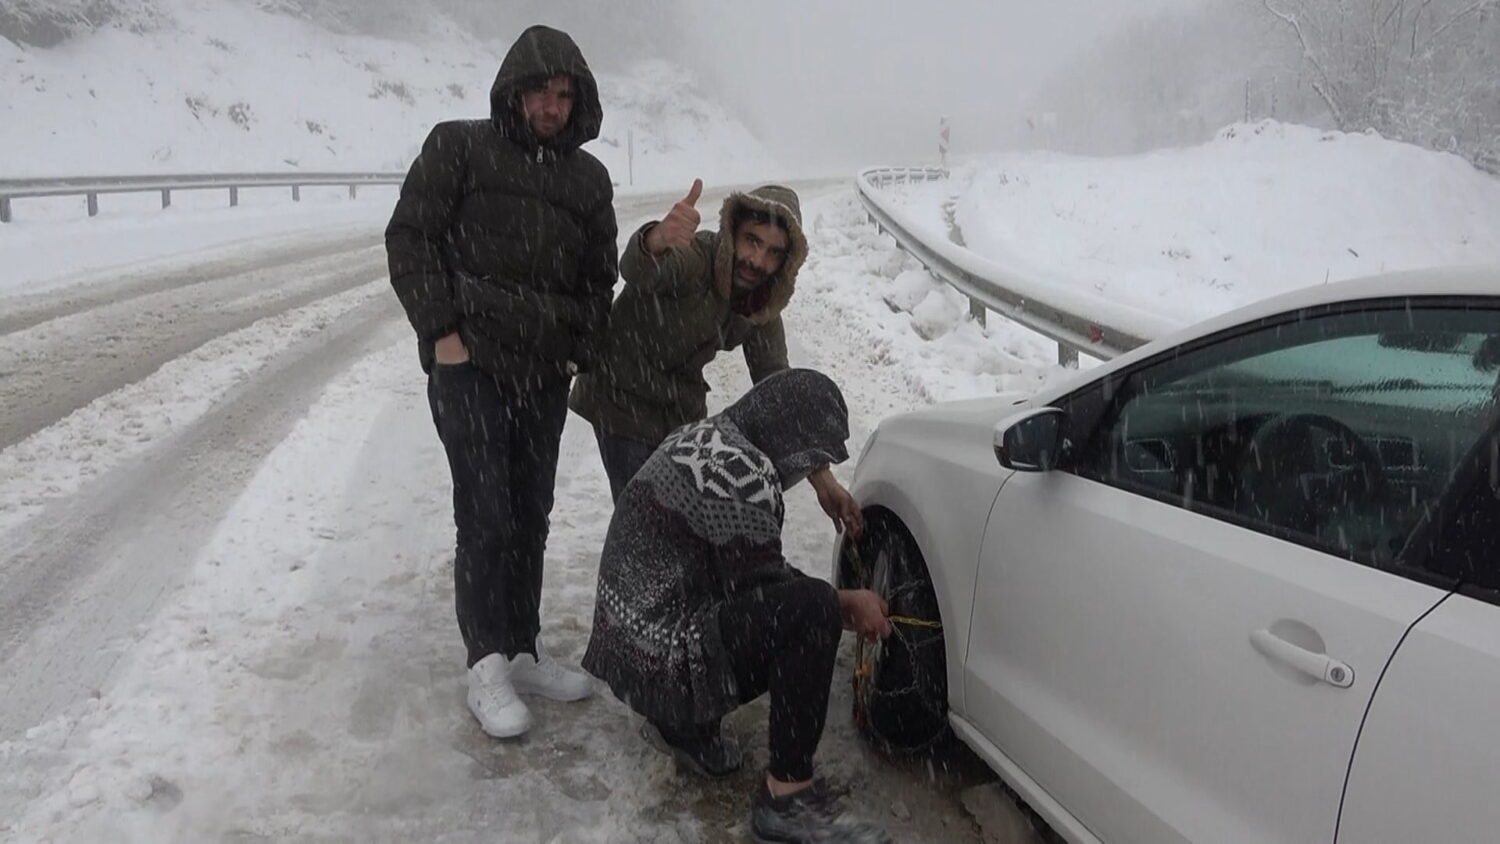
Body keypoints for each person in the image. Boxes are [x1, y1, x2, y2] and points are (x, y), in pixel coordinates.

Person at [385, 24, 617, 739]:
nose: (552, 105)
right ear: (514, 90)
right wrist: (442, 334)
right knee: (485, 514)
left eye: (563, 94)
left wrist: (577, 347)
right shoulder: (459, 146)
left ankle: (521, 649)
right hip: (472, 369)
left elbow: (597, 278)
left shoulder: (588, 179)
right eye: (541, 92)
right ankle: (484, 661)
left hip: (541, 376)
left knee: (530, 513)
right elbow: (410, 238)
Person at [582, 369, 892, 843]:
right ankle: (787, 800)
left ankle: (678, 723)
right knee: (810, 612)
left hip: (624, 644)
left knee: (801, 606)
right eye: (816, 458)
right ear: (795, 445)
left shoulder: (710, 436)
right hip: (657, 657)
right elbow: (767, 595)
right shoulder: (743, 476)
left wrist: (821, 480)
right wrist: (848, 605)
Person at [568, 181, 864, 538]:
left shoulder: (761, 303)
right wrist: (656, 241)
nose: (757, 261)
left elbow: (778, 388)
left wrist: (822, 479)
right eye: (752, 241)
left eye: (773, 252)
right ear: (733, 232)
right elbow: (639, 268)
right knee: (647, 525)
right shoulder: (698, 257)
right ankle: (635, 588)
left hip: (679, 410)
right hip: (620, 395)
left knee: (688, 523)